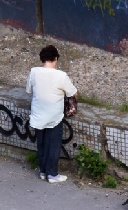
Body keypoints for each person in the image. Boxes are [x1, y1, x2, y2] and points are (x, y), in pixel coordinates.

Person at [26, 45, 78, 183]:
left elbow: (29, 90)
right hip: (54, 117)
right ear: (56, 58)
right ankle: (53, 174)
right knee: (53, 145)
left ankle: (43, 171)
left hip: (38, 115)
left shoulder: (34, 72)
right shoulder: (61, 76)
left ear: (42, 59)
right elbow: (73, 93)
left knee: (41, 144)